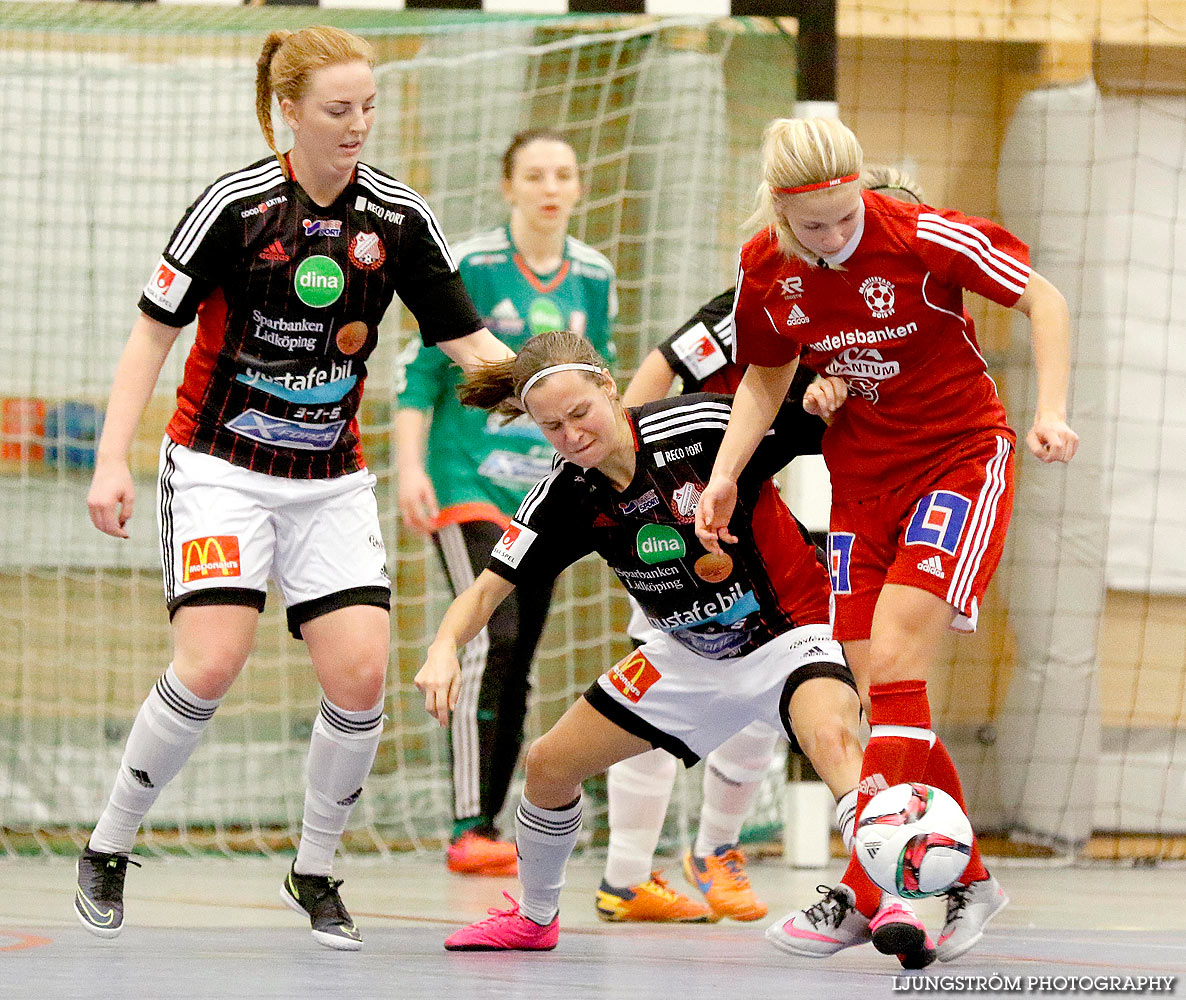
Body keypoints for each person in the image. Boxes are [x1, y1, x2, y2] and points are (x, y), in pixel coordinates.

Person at [74, 25, 509, 951]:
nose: (359, 127)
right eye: (338, 110)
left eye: (370, 108)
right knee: (212, 662)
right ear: (289, 111)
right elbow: (151, 333)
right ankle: (109, 843)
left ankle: (315, 868)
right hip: (219, 470)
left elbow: (466, 343)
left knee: (361, 674)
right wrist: (113, 458)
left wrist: (559, 386)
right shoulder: (233, 208)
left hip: (329, 478)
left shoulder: (397, 219)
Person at [694, 116, 1079, 965]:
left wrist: (1050, 408)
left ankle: (875, 889)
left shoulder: (922, 235)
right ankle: (966, 880)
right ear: (780, 213)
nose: (831, 237)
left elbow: (1043, 297)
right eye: (812, 225)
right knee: (880, 698)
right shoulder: (766, 265)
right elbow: (765, 376)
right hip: (859, 484)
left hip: (958, 459)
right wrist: (726, 470)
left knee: (901, 661)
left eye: (845, 216)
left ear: (862, 187)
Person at [413, 330, 895, 958]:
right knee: (549, 766)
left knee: (833, 743)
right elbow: (483, 593)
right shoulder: (567, 494)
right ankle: (534, 919)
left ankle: (894, 896)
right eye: (552, 427)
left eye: (580, 412)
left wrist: (826, 394)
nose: (572, 435)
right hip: (686, 657)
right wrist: (443, 647)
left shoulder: (701, 427)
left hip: (791, 635)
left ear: (609, 387)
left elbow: (811, 412)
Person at [598, 164, 928, 925]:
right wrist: (637, 488)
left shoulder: (885, 319)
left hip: (764, 512)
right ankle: (624, 877)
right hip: (682, 505)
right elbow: (657, 374)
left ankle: (714, 852)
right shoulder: (765, 294)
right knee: (658, 684)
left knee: (766, 682)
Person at [395, 129, 616, 877]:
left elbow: (598, 383)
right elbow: (421, 373)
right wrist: (408, 466)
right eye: (535, 174)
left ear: (580, 187)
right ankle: (468, 824)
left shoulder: (594, 273)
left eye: (564, 173)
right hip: (465, 479)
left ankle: (494, 819)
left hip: (543, 489)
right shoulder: (474, 263)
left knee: (517, 652)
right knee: (491, 630)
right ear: (508, 186)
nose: (551, 186)